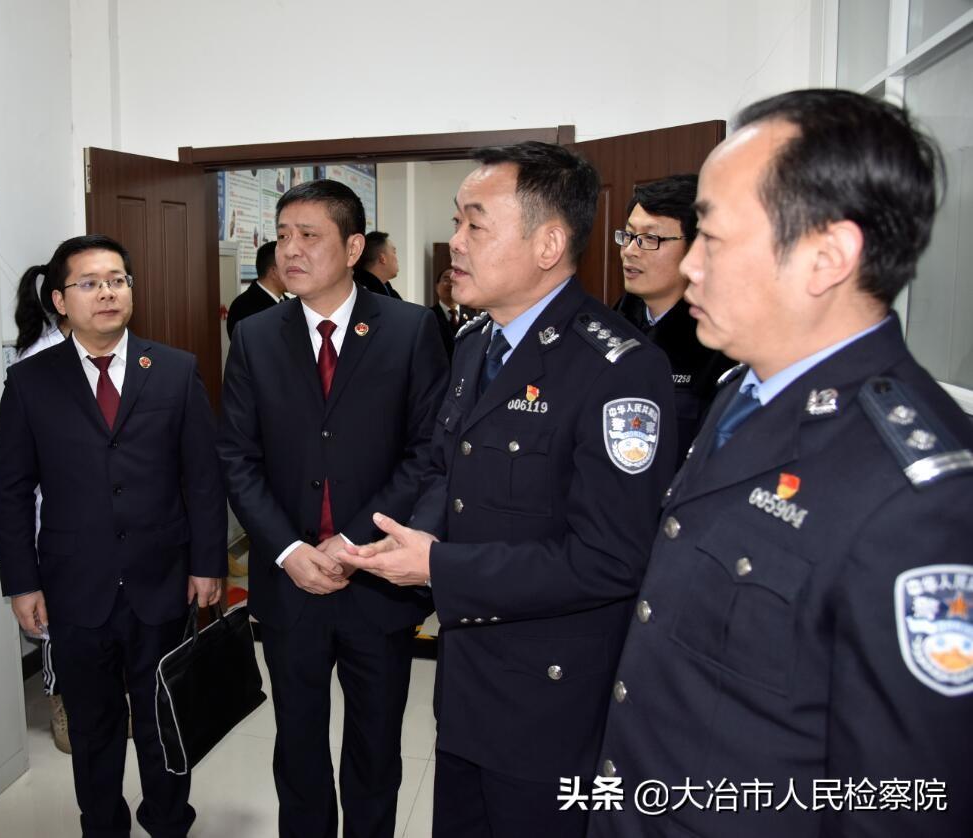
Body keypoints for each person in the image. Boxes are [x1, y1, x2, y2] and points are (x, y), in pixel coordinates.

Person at [589, 89, 973, 838]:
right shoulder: (746, 389)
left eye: (713, 238)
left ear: (826, 257)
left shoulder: (922, 499)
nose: (690, 266)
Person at [341, 143, 677, 837]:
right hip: (467, 683)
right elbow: (446, 469)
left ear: (548, 244)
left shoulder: (617, 368)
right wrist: (413, 538)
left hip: (550, 702)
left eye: (475, 224)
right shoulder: (476, 344)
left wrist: (439, 567)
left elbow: (612, 559)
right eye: (456, 223)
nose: (456, 243)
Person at [218, 180, 447, 838]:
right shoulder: (256, 336)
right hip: (290, 583)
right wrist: (289, 550)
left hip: (375, 581)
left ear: (352, 248)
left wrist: (349, 542)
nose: (289, 249)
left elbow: (427, 453)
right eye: (282, 236)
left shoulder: (408, 329)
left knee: (375, 749)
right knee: (298, 748)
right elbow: (236, 457)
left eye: (308, 236)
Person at [0, 234, 225, 838]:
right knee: (93, 729)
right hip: (74, 587)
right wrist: (21, 583)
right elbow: (9, 490)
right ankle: (102, 826)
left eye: (117, 280)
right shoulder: (30, 381)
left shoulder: (173, 370)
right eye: (90, 283)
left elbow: (202, 476)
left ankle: (169, 821)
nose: (107, 293)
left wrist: (207, 562)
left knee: (163, 718)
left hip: (162, 579)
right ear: (59, 301)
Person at [613, 175, 733, 466]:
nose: (630, 250)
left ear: (697, 247)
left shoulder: (720, 344)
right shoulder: (608, 326)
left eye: (650, 239)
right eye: (628, 236)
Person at [9, 248, 73, 751]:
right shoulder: (37, 362)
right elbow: (14, 477)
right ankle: (61, 707)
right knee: (56, 624)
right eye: (89, 285)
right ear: (61, 299)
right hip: (47, 514)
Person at [225, 240, 286, 338]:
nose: (295, 273)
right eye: (289, 268)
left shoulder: (290, 303)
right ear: (274, 272)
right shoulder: (243, 308)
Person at [429, 266, 471, 359]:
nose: (451, 284)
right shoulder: (428, 316)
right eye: (446, 279)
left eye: (455, 280)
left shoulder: (474, 318)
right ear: (437, 287)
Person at [353, 230, 403, 299]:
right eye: (394, 252)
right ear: (383, 258)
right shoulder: (362, 294)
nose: (397, 259)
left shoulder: (388, 291)